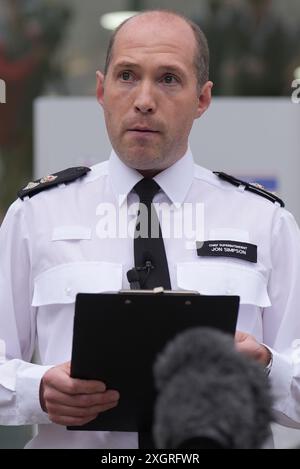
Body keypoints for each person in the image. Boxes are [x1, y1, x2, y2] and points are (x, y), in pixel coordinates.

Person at [0, 9, 300, 449]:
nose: (144, 99)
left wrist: (266, 368)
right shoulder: (35, 215)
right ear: (101, 90)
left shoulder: (264, 221)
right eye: (126, 75)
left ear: (202, 99)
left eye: (169, 79)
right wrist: (37, 390)